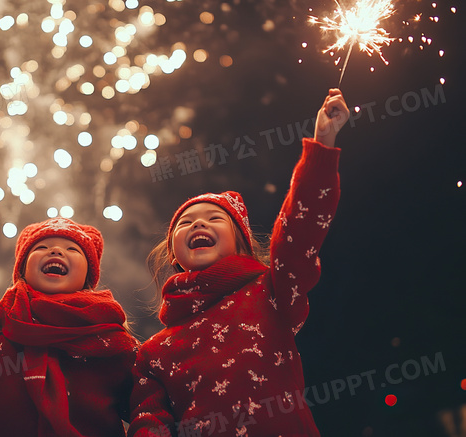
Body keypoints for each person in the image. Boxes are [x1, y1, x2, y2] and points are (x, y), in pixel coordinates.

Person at [127, 89, 350, 436]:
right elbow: (148, 420)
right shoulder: (155, 352)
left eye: (215, 218)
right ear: (174, 255)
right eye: (185, 223)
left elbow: (300, 229)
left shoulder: (272, 291)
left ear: (241, 241)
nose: (198, 224)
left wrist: (321, 144)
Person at [0, 217, 138, 436]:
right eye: (41, 247)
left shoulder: (111, 342)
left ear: (88, 277)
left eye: (72, 249)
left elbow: (145, 407)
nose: (55, 251)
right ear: (22, 270)